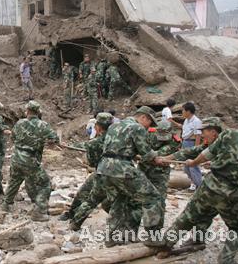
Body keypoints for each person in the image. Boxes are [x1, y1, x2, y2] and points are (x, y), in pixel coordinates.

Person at [158, 117, 238, 263]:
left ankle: (165, 245)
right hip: (235, 194)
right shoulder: (223, 138)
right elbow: (192, 151)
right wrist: (166, 158)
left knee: (189, 215)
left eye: (204, 131)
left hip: (212, 186)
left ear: (214, 132)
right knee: (237, 226)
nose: (201, 135)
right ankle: (220, 255)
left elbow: (205, 155)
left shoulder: (230, 134)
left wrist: (193, 163)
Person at [96, 106, 168, 247]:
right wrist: (157, 159)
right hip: (122, 170)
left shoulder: (114, 125)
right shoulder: (137, 128)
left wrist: (132, 155)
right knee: (153, 197)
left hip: (104, 168)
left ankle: (112, 238)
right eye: (149, 123)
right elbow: (147, 153)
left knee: (119, 200)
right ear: (143, 117)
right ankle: (153, 237)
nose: (149, 127)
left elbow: (116, 148)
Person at [1, 101, 59, 222]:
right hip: (30, 160)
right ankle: (39, 211)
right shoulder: (43, 125)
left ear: (27, 111)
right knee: (45, 184)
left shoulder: (19, 123)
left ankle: (6, 205)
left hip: (16, 158)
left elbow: (12, 138)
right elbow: (54, 139)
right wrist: (46, 141)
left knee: (14, 180)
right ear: (38, 112)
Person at [61, 112, 114, 229]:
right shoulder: (120, 140)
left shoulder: (94, 144)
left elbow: (92, 163)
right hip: (122, 173)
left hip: (103, 173)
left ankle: (75, 223)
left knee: (91, 199)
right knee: (85, 191)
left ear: (97, 127)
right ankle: (71, 213)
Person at [136, 121, 179, 230]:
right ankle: (131, 228)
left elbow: (158, 156)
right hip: (143, 170)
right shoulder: (149, 133)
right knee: (137, 198)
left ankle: (155, 229)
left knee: (159, 200)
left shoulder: (175, 141)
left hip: (160, 174)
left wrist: (144, 156)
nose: (162, 139)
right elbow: (141, 148)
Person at [179, 102, 203, 190]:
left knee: (193, 165)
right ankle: (193, 183)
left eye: (183, 110)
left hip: (192, 143)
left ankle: (199, 186)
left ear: (188, 111)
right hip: (185, 142)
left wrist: (196, 149)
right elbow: (185, 133)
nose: (182, 112)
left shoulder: (197, 121)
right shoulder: (186, 120)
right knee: (186, 167)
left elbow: (198, 136)